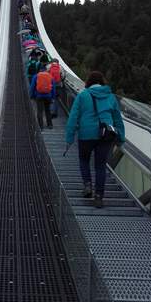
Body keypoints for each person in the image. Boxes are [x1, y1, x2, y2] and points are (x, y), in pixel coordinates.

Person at [65, 71, 125, 208]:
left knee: (84, 160)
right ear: (102, 82)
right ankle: (99, 196)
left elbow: (73, 118)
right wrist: (121, 137)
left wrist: (69, 138)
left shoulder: (83, 95)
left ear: (88, 82)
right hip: (105, 135)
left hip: (86, 134)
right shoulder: (110, 97)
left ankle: (87, 186)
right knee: (100, 166)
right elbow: (118, 119)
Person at [30, 62, 56, 129]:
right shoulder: (50, 76)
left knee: (40, 111)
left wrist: (32, 95)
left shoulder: (36, 76)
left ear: (39, 69)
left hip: (39, 96)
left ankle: (41, 126)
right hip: (48, 96)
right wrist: (53, 97)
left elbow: (32, 87)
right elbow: (53, 88)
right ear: (46, 69)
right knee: (48, 110)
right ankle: (50, 125)